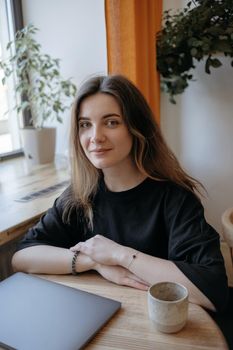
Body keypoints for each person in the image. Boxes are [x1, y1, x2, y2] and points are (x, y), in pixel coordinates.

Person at [12, 74, 228, 312]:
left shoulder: (175, 198)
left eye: (111, 122)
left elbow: (213, 290)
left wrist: (120, 255)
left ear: (137, 129)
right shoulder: (80, 195)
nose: (95, 136)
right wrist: (94, 261)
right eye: (85, 124)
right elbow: (22, 257)